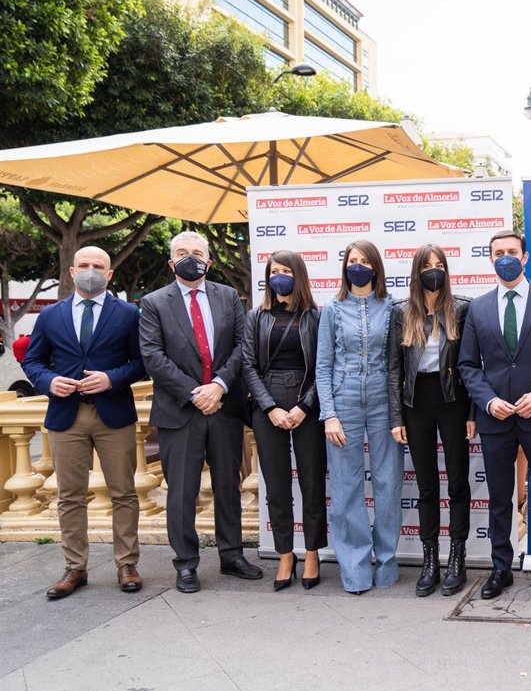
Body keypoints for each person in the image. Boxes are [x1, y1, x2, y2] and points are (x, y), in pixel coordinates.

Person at [458, 229, 531, 601]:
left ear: (525, 257)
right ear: (490, 259)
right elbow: (467, 365)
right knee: (499, 499)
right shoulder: (478, 307)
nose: (505, 257)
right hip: (495, 418)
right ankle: (501, 569)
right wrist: (487, 401)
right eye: (498, 253)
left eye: (512, 251)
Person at [140, 231, 262, 593]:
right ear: (171, 262)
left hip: (223, 407)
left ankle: (232, 555)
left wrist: (219, 386)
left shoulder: (229, 296)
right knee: (181, 491)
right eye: (182, 252)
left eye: (197, 252)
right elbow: (153, 356)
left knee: (228, 486)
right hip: (180, 410)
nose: (189, 258)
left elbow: (242, 346)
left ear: (208, 262)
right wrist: (195, 393)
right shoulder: (153, 302)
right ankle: (186, 563)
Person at [22, 247, 146, 599]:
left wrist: (112, 378)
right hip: (66, 414)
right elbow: (33, 361)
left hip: (114, 413)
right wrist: (48, 381)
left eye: (98, 266)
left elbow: (142, 362)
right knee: (69, 496)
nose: (91, 271)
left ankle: (127, 563)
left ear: (109, 274)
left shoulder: (128, 313)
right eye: (85, 265)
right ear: (73, 271)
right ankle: (75, 567)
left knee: (124, 492)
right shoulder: (51, 315)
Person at [387, 244, 475, 597]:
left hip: (453, 400)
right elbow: (394, 369)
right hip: (416, 402)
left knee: (457, 482)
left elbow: (472, 365)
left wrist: (472, 413)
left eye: (439, 265)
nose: (433, 271)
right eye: (427, 266)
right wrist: (397, 416)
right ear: (416, 272)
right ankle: (429, 560)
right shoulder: (400, 311)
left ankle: (457, 558)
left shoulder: (462, 308)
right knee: (426, 485)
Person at [316, 240, 401, 595]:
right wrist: (329, 414)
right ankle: (354, 569)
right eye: (353, 260)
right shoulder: (332, 309)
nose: (358, 266)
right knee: (346, 487)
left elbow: (397, 364)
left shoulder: (392, 307)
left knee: (388, 482)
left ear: (376, 267)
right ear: (344, 267)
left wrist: (398, 413)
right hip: (344, 398)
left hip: (384, 399)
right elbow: (323, 367)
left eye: (365, 261)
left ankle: (387, 562)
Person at [243, 250, 326, 591]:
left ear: (298, 276)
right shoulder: (256, 316)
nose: (279, 277)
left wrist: (305, 406)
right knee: (276, 485)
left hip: (308, 404)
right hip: (268, 405)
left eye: (286, 271)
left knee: (312, 482)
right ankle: (285, 555)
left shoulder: (316, 316)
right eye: (274, 271)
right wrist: (269, 407)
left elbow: (325, 366)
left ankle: (312, 553)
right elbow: (248, 365)